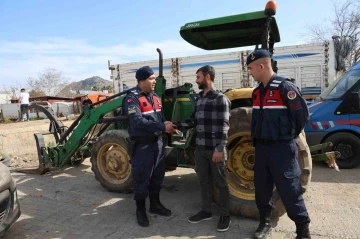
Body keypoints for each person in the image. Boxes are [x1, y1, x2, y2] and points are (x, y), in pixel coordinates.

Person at [247, 49, 311, 239]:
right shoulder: (257, 92)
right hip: (262, 149)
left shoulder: (285, 88)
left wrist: (287, 136)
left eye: (250, 68)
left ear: (261, 65)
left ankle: (302, 229)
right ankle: (264, 222)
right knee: (262, 188)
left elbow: (302, 117)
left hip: (282, 148)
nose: (249, 72)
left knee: (290, 189)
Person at [174, 65, 231, 232]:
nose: (196, 80)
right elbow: (193, 121)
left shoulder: (220, 99)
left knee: (221, 182)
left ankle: (225, 215)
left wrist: (220, 148)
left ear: (207, 77)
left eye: (198, 77)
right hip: (200, 149)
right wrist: (174, 125)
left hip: (215, 149)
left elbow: (225, 126)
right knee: (204, 181)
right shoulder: (199, 98)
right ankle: (206, 211)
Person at [122, 66, 177, 227]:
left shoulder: (155, 97)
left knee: (157, 177)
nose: (154, 81)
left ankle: (155, 205)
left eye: (154, 78)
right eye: (151, 78)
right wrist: (161, 127)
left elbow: (160, 118)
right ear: (141, 81)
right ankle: (140, 210)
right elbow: (137, 121)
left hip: (157, 144)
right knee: (141, 179)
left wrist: (167, 126)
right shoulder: (132, 98)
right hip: (143, 147)